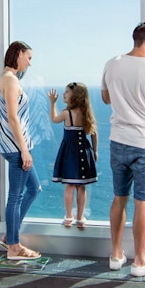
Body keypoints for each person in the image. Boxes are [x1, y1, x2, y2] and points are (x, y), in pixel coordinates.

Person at [100, 21, 145, 277]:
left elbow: (106, 98)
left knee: (119, 198)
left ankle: (116, 254)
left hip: (118, 140)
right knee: (143, 203)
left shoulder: (112, 64)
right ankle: (140, 261)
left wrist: (125, 96)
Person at [0, 41, 42, 260]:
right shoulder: (10, 80)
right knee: (15, 196)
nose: (30, 64)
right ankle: (14, 247)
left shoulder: (4, 78)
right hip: (16, 148)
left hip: (11, 145)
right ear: (19, 54)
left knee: (34, 188)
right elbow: (13, 118)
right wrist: (24, 150)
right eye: (29, 58)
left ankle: (10, 236)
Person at [48, 82, 99, 230]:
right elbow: (94, 134)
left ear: (75, 96)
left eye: (67, 92)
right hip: (83, 151)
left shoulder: (66, 113)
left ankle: (69, 216)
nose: (64, 94)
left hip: (69, 153)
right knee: (81, 187)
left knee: (69, 186)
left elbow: (54, 119)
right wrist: (95, 151)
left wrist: (52, 103)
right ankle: (80, 218)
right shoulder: (86, 113)